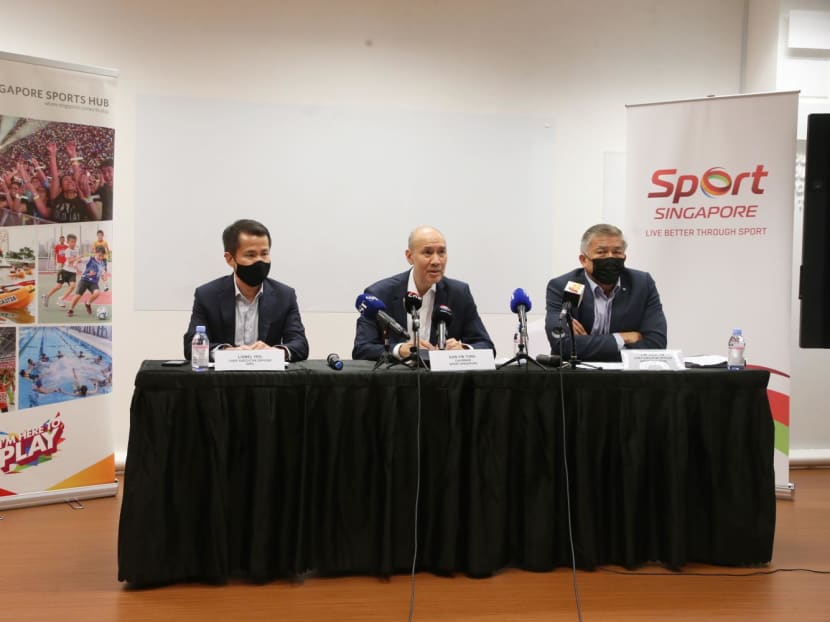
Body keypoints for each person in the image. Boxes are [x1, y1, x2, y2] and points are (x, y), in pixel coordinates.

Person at [352, 225, 494, 361]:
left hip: (443, 383)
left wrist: (464, 349)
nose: (436, 261)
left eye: (441, 252)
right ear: (409, 256)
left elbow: (486, 346)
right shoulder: (379, 294)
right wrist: (400, 350)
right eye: (428, 252)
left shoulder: (459, 293)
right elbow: (362, 349)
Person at [183, 219, 309, 362]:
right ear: (230, 259)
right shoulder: (207, 295)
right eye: (250, 255)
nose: (259, 261)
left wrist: (275, 352)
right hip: (221, 381)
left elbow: (300, 344)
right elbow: (191, 347)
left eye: (264, 253)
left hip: (267, 381)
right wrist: (227, 352)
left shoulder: (285, 295)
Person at [545, 223, 667, 362]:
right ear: (584, 260)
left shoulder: (642, 284)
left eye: (617, 252)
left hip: (626, 376)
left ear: (624, 257)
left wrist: (586, 344)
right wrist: (622, 338)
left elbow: (656, 344)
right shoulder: (564, 286)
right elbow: (562, 345)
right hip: (576, 374)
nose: (610, 258)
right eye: (601, 252)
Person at [66, 247, 106, 317]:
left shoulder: (102, 264)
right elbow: (80, 260)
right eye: (99, 255)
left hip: (93, 282)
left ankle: (88, 303)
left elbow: (102, 274)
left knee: (97, 292)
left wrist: (105, 282)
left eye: (102, 256)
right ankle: (71, 309)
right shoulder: (90, 259)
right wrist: (76, 262)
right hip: (84, 280)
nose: (100, 257)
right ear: (95, 253)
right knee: (78, 295)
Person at [43, 233, 80, 308]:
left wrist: (78, 263)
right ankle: (47, 296)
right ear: (68, 242)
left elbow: (76, 261)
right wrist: (77, 258)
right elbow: (69, 261)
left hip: (72, 273)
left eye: (75, 242)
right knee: (58, 286)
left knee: (73, 286)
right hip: (65, 271)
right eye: (72, 241)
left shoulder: (76, 250)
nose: (73, 243)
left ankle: (61, 299)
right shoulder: (67, 250)